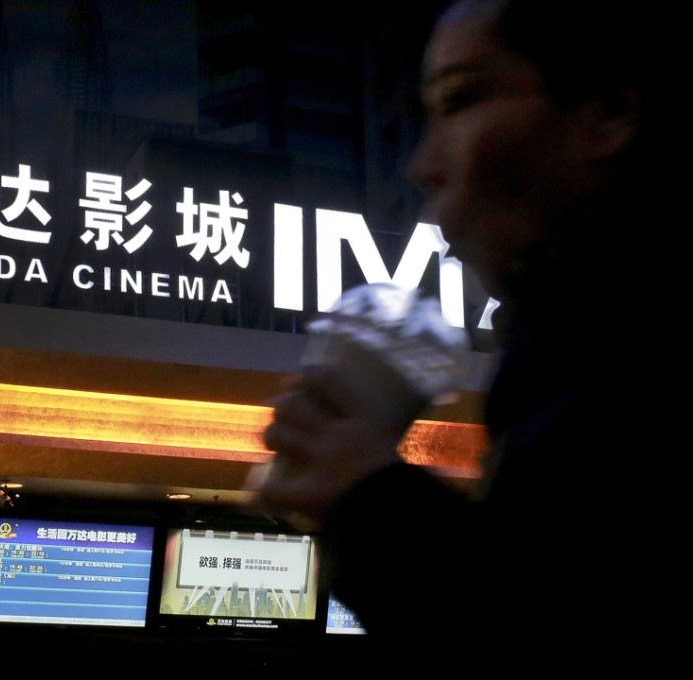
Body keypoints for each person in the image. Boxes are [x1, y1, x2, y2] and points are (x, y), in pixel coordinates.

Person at [249, 0, 672, 674]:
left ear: (608, 113)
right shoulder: (573, 333)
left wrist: (367, 500)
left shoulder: (625, 341)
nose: (424, 166)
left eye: (462, 99)